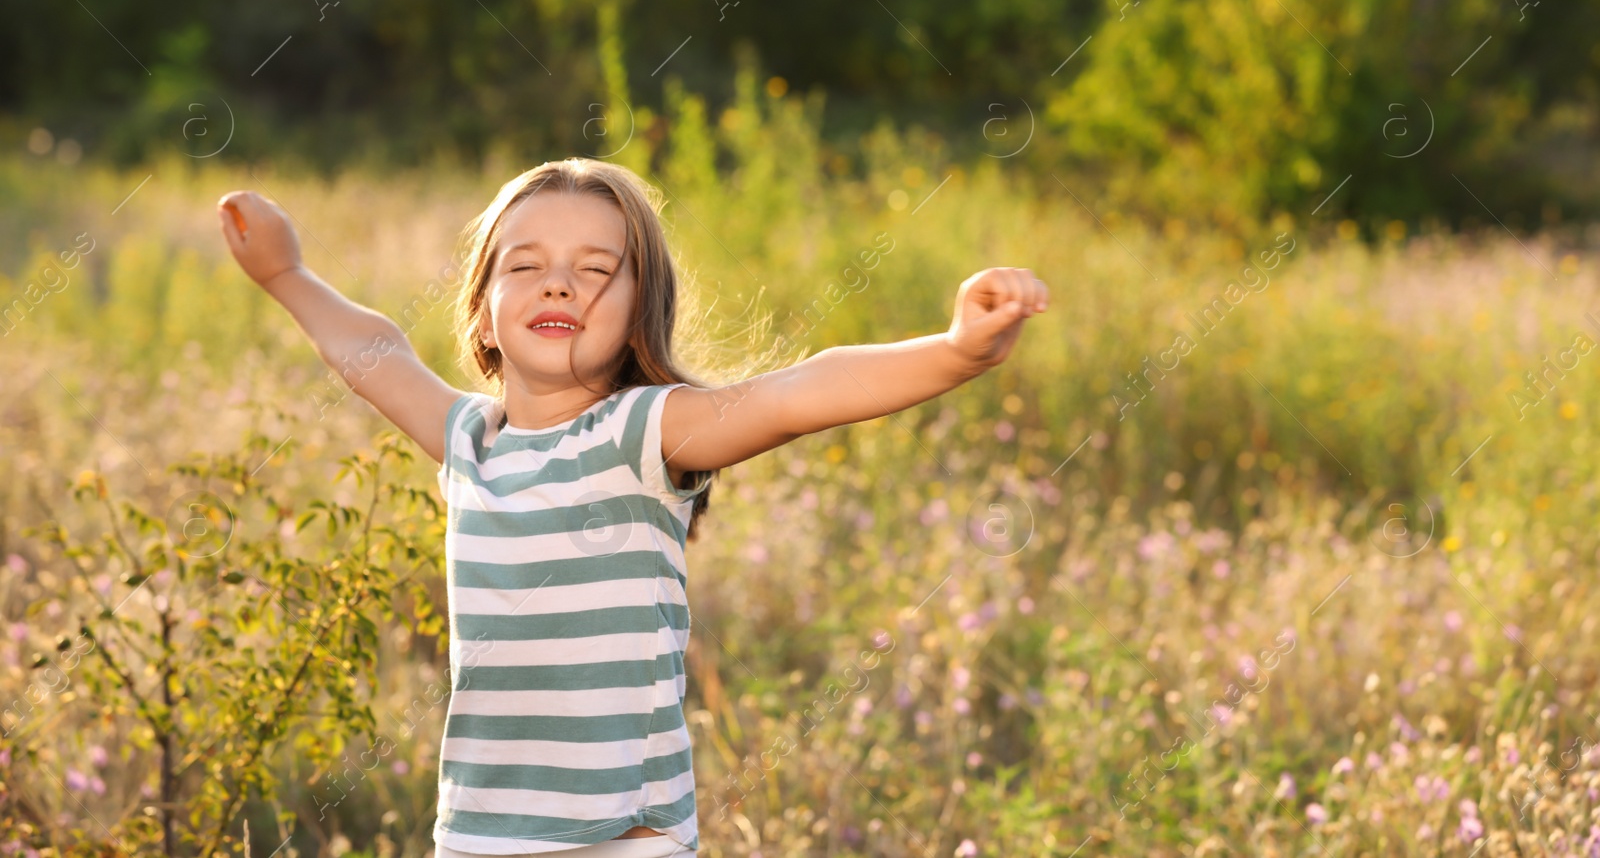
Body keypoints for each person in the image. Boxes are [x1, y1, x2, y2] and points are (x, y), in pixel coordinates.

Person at [217, 158, 1048, 857]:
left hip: (624, 833)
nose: (559, 283)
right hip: (480, 831)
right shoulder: (468, 438)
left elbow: (804, 391)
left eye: (597, 269)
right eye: (526, 263)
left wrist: (956, 352)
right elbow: (376, 351)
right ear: (482, 309)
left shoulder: (644, 430)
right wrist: (284, 273)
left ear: (638, 310)